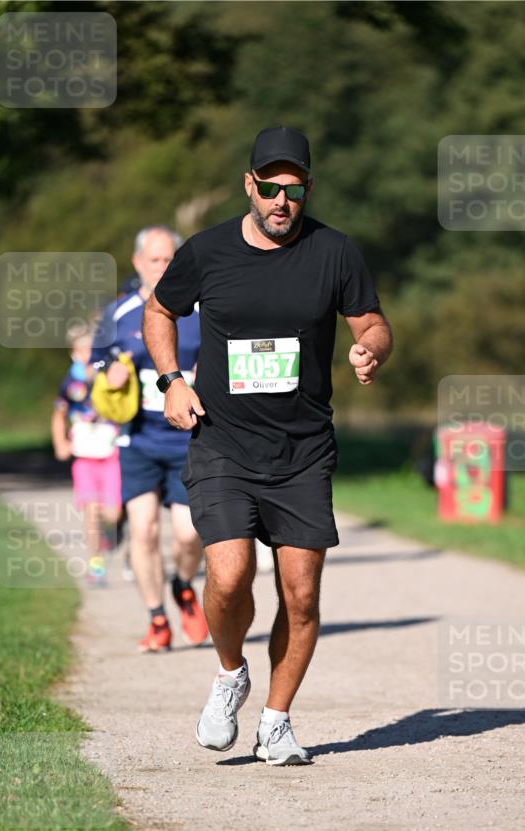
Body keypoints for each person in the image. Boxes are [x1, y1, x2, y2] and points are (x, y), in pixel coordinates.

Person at [143, 126, 393, 764]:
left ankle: (276, 721)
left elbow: (372, 321)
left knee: (301, 595)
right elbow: (160, 310)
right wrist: (172, 380)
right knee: (228, 577)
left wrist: (371, 348)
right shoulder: (207, 251)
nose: (283, 200)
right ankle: (231, 673)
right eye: (271, 188)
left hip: (302, 450)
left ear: (308, 189)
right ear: (249, 186)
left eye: (295, 189)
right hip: (222, 442)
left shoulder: (334, 252)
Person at [91, 226, 208, 652]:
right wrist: (107, 370)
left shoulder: (199, 309)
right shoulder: (119, 312)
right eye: (154, 260)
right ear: (137, 262)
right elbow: (94, 360)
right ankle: (157, 618)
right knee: (142, 531)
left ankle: (183, 585)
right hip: (137, 439)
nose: (161, 267)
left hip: (188, 438)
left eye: (168, 259)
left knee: (188, 535)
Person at [52, 322, 122, 585]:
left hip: (111, 451)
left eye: (90, 350)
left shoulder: (109, 375)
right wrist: (60, 442)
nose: (85, 355)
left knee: (113, 513)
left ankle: (113, 532)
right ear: (73, 352)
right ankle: (96, 564)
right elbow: (59, 414)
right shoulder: (70, 381)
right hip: (84, 455)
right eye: (80, 350)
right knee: (91, 511)